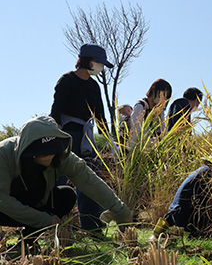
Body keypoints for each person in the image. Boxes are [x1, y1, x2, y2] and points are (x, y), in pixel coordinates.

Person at [0, 116, 133, 250]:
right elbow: (2, 200)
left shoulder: (63, 157)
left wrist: (120, 210)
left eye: (51, 151)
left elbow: (90, 181)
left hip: (35, 202)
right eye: (40, 152)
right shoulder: (4, 154)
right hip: (4, 210)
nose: (48, 156)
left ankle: (27, 241)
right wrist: (45, 220)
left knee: (66, 195)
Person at [50, 43, 113, 231]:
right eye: (99, 63)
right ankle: (51, 226)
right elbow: (56, 110)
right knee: (58, 179)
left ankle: (93, 227)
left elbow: (100, 115)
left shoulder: (94, 86)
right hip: (66, 135)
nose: (101, 68)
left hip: (87, 139)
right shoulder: (67, 80)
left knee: (90, 180)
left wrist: (110, 141)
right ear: (89, 61)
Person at [151, 158, 212, 240]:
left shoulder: (202, 169)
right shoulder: (210, 173)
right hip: (184, 215)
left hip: (175, 212)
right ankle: (198, 234)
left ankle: (156, 234)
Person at [129, 79, 173, 147]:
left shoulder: (158, 113)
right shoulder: (141, 106)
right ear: (153, 90)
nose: (163, 99)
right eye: (162, 95)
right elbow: (137, 132)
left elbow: (163, 133)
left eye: (166, 97)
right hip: (136, 150)